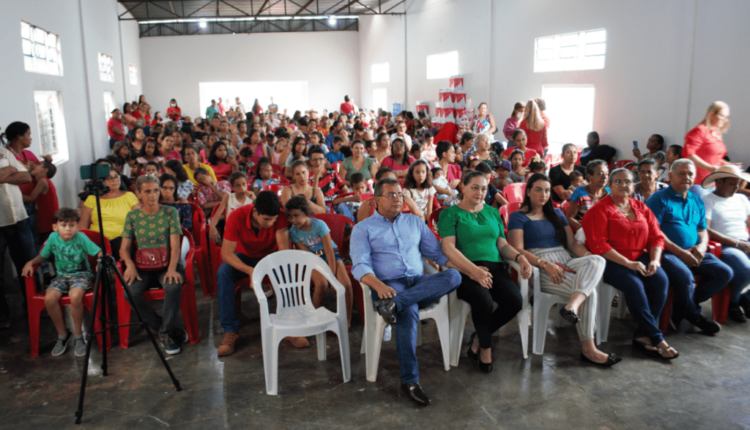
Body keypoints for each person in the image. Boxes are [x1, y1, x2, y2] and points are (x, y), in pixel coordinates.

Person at [351, 177, 462, 405]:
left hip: (418, 282)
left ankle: (395, 305)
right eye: (391, 195)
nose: (397, 199)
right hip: (389, 284)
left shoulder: (414, 222)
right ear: (375, 200)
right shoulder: (363, 229)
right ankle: (410, 380)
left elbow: (437, 255)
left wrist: (468, 270)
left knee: (454, 275)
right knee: (409, 310)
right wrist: (381, 287)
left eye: (400, 194)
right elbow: (360, 265)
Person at [508, 173, 618, 365]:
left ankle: (572, 306)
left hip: (565, 259)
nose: (544, 194)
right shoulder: (518, 216)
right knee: (589, 293)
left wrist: (587, 259)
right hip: (540, 266)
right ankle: (589, 350)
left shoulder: (557, 213)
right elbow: (518, 249)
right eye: (538, 190)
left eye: (548, 190)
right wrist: (545, 264)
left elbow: (572, 244)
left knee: (598, 261)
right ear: (528, 192)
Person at [438, 171, 530, 372]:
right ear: (463, 187)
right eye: (474, 187)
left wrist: (519, 257)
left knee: (514, 301)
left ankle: (479, 338)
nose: (480, 192)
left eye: (484, 188)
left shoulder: (492, 212)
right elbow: (448, 248)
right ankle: (485, 350)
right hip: (465, 269)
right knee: (484, 301)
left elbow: (502, 244)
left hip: (496, 268)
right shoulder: (450, 213)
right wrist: (473, 271)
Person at [582, 168, 676, 359]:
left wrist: (655, 260)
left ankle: (642, 334)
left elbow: (656, 237)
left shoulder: (640, 207)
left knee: (660, 280)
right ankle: (657, 337)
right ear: (609, 185)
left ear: (634, 186)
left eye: (628, 182)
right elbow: (599, 244)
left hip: (639, 257)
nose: (623, 185)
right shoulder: (600, 209)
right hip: (609, 260)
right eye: (618, 181)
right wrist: (627, 263)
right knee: (634, 285)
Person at [217, 191, 311, 355]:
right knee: (224, 272)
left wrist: (276, 269)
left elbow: (283, 251)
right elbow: (226, 254)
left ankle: (289, 325)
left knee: (287, 270)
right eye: (266, 219)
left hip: (272, 257)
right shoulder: (236, 216)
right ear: (255, 212)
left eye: (273, 219)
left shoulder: (279, 216)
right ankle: (230, 331)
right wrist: (250, 271)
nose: (271, 222)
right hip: (247, 258)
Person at [647, 159, 732, 334]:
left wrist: (702, 246)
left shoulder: (696, 200)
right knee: (685, 278)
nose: (687, 177)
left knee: (724, 272)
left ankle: (682, 308)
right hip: (666, 252)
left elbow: (702, 229)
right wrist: (680, 252)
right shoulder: (659, 199)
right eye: (682, 173)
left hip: (695, 251)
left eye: (690, 174)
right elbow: (654, 232)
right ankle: (694, 316)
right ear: (670, 176)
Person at [120, 175, 187, 355]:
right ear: (139, 194)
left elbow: (175, 246)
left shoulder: (170, 212)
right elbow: (124, 248)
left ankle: (165, 334)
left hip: (167, 263)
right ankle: (164, 327)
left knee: (173, 285)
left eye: (156, 190)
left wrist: (172, 269)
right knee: (130, 292)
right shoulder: (133, 216)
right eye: (147, 191)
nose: (152, 195)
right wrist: (130, 264)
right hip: (142, 266)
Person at [22, 208, 101, 357]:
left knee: (75, 296)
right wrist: (30, 262)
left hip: (81, 275)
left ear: (77, 226)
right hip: (62, 277)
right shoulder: (52, 238)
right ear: (55, 227)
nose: (68, 229)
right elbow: (42, 256)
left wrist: (100, 261)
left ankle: (78, 336)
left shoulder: (81, 237)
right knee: (49, 298)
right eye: (63, 225)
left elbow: (99, 251)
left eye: (72, 225)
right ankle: (63, 335)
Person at [285, 196, 353, 325]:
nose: (292, 220)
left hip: (332, 255)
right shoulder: (293, 232)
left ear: (306, 213)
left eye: (296, 215)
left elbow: (329, 251)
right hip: (313, 259)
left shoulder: (319, 225)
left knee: (346, 285)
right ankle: (313, 317)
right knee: (321, 283)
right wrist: (322, 272)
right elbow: (306, 253)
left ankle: (347, 318)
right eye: (289, 216)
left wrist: (332, 277)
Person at [701, 165, 750, 322]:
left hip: (745, 241)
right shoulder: (708, 201)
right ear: (719, 182)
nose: (736, 187)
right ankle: (733, 302)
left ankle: (745, 298)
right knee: (746, 270)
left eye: (738, 183)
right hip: (726, 246)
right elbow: (706, 229)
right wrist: (737, 243)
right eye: (732, 183)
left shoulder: (742, 199)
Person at [0, 137, 35, 328]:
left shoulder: (5, 153)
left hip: (19, 219)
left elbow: (27, 176)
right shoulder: (7, 158)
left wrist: (6, 172)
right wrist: (10, 170)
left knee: (27, 264)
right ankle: (2, 315)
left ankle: (32, 304)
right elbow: (18, 173)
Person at [79, 168, 140, 260]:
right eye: (109, 178)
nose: (114, 180)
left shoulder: (129, 196)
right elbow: (83, 225)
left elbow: (140, 220)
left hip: (122, 241)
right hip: (98, 241)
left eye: (116, 176)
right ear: (102, 182)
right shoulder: (92, 199)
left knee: (121, 244)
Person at [683, 101, 735, 196]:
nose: (725, 120)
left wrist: (729, 165)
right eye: (723, 116)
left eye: (727, 117)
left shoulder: (716, 134)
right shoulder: (700, 130)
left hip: (713, 183)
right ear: (712, 114)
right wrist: (709, 168)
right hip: (697, 183)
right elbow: (688, 154)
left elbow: (714, 158)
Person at [209, 172, 253, 243]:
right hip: (231, 232)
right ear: (233, 187)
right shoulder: (228, 197)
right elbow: (218, 213)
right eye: (238, 186)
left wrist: (254, 200)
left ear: (247, 183)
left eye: (244, 184)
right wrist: (212, 226)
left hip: (246, 232)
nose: (242, 188)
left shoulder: (251, 198)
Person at [567, 159, 609, 231]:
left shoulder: (610, 193)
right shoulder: (580, 192)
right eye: (600, 174)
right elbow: (569, 218)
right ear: (589, 176)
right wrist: (584, 230)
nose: (605, 177)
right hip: (584, 231)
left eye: (607, 174)